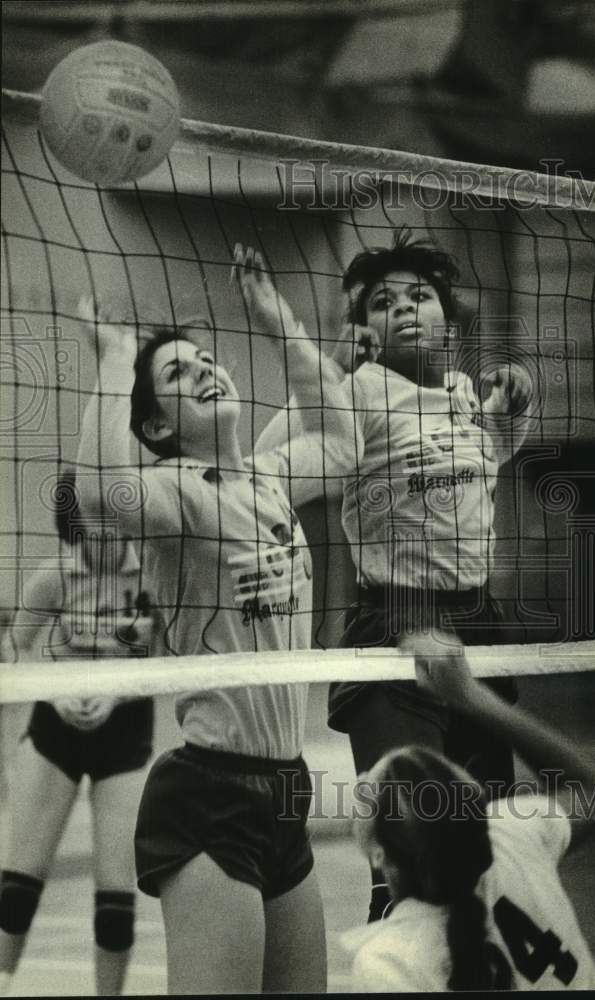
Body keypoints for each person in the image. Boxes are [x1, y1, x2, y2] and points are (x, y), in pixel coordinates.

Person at [73, 245, 362, 995]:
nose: (204, 369)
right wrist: (116, 360)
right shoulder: (175, 492)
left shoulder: (270, 477)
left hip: (286, 786)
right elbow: (100, 493)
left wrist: (275, 319)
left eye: (206, 358)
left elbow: (343, 440)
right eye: (178, 372)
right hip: (211, 794)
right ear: (160, 428)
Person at [257, 228, 535, 920]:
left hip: (480, 633)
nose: (405, 308)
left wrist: (514, 413)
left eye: (420, 296)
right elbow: (260, 465)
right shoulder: (359, 391)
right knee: (409, 851)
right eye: (383, 302)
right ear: (368, 332)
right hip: (396, 631)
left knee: (481, 851)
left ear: (449, 317)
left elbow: (484, 465)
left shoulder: (468, 393)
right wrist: (324, 380)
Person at [342, 630, 595, 992]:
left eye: (368, 787)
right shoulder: (511, 834)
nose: (359, 782)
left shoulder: (387, 961)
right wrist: (473, 696)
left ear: (378, 854)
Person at [0, 471, 156, 997]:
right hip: (54, 733)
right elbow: (15, 648)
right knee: (15, 895)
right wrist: (58, 691)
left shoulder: (154, 573)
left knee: (115, 907)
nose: (108, 528)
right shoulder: (55, 576)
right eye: (95, 516)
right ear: (75, 522)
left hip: (127, 736)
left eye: (116, 513)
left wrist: (114, 692)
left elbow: (179, 656)